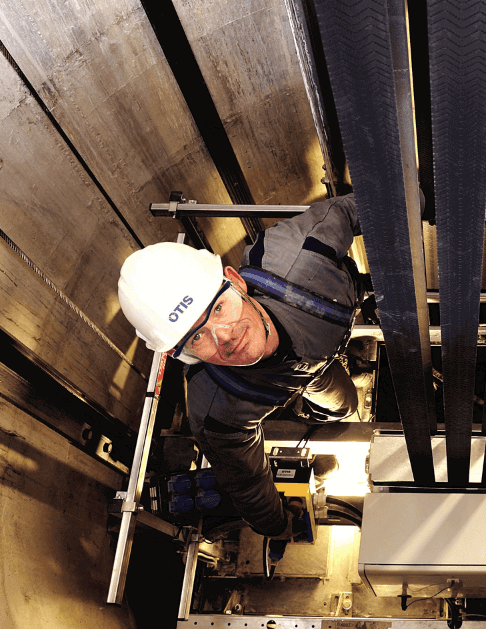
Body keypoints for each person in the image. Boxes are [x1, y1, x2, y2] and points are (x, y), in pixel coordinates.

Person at [117, 195, 363, 540]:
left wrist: (432, 203)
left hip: (316, 362)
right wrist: (277, 526)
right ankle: (294, 404)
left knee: (345, 407)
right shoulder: (217, 408)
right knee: (340, 407)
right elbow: (247, 482)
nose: (225, 336)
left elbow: (353, 207)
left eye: (219, 309)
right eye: (198, 336)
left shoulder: (299, 259)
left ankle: (300, 403)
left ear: (235, 281)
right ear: (179, 352)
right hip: (295, 379)